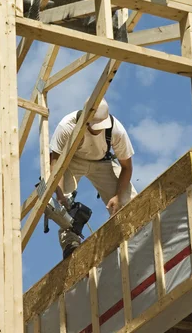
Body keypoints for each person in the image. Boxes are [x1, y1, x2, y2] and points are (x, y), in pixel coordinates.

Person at [49, 98, 137, 258]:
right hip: (72, 161)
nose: (97, 131)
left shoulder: (117, 130)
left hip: (102, 162)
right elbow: (55, 164)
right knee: (64, 205)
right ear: (85, 120)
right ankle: (70, 242)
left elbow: (127, 167)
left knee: (126, 200)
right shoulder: (67, 126)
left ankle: (132, 233)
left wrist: (117, 196)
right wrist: (60, 196)